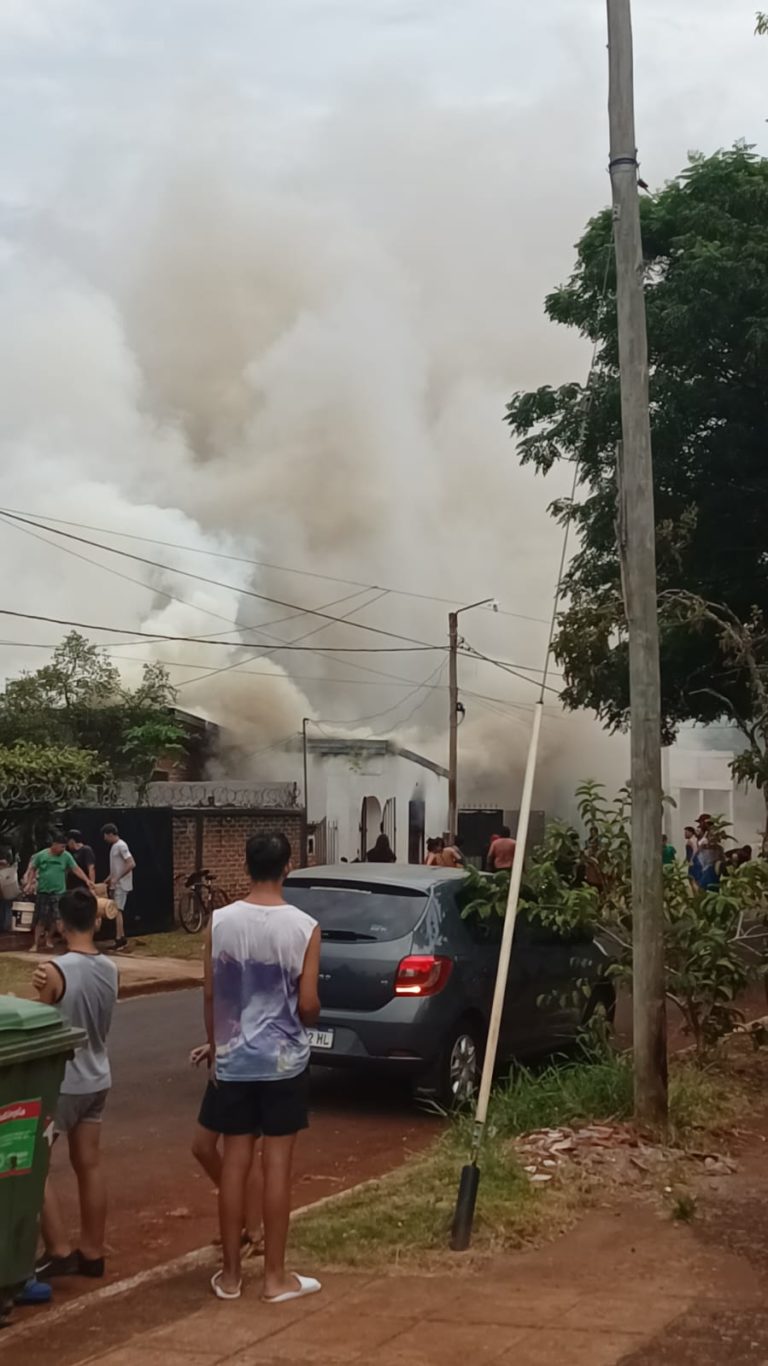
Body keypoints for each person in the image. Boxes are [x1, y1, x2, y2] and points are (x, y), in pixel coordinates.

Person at [203, 832, 322, 1302]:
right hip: (284, 1062)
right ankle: (275, 1277)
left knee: (234, 1165)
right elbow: (309, 1004)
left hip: (233, 1059)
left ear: (246, 866)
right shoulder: (304, 927)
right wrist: (305, 1013)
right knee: (277, 1167)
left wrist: (216, 1047)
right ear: (287, 867)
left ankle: (231, 1276)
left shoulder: (219, 922)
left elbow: (211, 994)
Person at [33, 888, 119, 1280]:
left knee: (34, 1163)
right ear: (96, 922)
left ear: (61, 925)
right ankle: (93, 1250)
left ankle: (58, 1246)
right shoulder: (110, 968)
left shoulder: (54, 971)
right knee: (90, 1164)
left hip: (63, 1081)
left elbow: (41, 1020)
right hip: (97, 1075)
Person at [190, 1043, 264, 1256]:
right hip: (223, 1065)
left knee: (246, 1147)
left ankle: (253, 1230)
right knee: (202, 1147)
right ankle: (237, 1213)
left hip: (246, 1067)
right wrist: (212, 1045)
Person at [24, 832, 92, 953]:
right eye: (61, 846)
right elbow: (33, 869)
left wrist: (87, 880)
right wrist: (29, 883)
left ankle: (51, 938)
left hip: (59, 891)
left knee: (58, 918)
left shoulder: (66, 856)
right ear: (54, 845)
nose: (63, 849)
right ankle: (35, 944)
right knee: (41, 919)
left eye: (65, 847)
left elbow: (75, 869)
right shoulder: (41, 855)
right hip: (43, 891)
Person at [101, 824, 133, 952]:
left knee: (117, 910)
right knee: (115, 910)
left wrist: (117, 878)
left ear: (110, 834)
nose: (105, 839)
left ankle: (120, 939)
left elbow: (131, 863)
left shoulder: (121, 845)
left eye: (105, 836)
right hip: (116, 882)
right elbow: (117, 866)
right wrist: (110, 878)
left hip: (121, 884)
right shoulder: (115, 847)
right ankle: (120, 937)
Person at [0, 846, 20, 935]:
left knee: (6, 905)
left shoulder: (7, 852)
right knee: (5, 905)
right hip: (5, 882)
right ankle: (5, 926)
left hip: (6, 883)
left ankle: (5, 926)